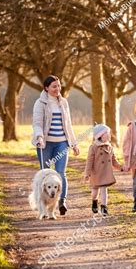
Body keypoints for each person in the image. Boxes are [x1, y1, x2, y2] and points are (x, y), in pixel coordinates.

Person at [32, 75, 80, 216]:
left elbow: (68, 125)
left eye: (58, 86)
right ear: (46, 88)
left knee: (60, 173)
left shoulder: (64, 102)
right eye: (54, 86)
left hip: (61, 143)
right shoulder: (40, 103)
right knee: (45, 174)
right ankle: (43, 205)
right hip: (45, 143)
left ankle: (61, 202)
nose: (57, 89)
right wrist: (39, 136)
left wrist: (74, 144)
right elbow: (37, 123)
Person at [84, 124, 123, 216]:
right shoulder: (93, 147)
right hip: (96, 173)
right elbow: (89, 161)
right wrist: (87, 173)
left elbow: (114, 160)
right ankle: (94, 201)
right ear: (101, 135)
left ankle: (104, 207)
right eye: (107, 133)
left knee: (104, 189)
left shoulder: (109, 147)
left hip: (105, 173)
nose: (109, 135)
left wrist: (121, 167)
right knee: (95, 192)